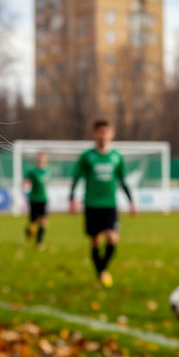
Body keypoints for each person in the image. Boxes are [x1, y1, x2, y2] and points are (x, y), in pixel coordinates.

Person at [69, 120, 137, 288]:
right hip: (92, 204)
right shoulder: (87, 157)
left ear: (111, 134)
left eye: (106, 131)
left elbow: (122, 180)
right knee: (95, 242)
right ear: (94, 134)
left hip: (109, 204)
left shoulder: (116, 157)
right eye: (99, 131)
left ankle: (102, 270)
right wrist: (72, 198)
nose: (102, 135)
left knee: (112, 238)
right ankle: (101, 272)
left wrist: (131, 201)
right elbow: (76, 177)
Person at [23, 151, 51, 250]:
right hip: (34, 199)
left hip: (43, 199)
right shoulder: (32, 171)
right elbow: (25, 182)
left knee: (43, 221)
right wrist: (25, 191)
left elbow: (47, 184)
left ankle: (39, 242)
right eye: (41, 158)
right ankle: (28, 231)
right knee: (32, 222)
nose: (42, 160)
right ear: (37, 159)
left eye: (44, 158)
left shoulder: (48, 171)